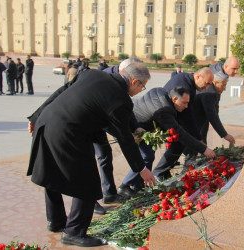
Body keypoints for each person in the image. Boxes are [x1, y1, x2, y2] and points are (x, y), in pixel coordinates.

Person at [27, 62, 156, 247]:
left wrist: (35, 116)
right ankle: (74, 232)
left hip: (47, 122)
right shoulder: (121, 99)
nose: (140, 91)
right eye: (142, 87)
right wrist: (141, 168)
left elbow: (62, 90)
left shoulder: (93, 74)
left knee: (52, 173)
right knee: (88, 183)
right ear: (135, 81)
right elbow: (124, 139)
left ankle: (56, 221)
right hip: (69, 133)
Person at [118, 87, 216, 197]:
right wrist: (203, 149)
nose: (186, 106)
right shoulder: (165, 110)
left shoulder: (163, 93)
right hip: (134, 126)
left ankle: (138, 184)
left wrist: (198, 139)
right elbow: (180, 134)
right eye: (184, 103)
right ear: (174, 99)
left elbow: (186, 122)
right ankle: (125, 186)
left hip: (141, 124)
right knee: (147, 156)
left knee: (149, 155)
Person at [151, 67, 216, 181]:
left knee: (180, 143)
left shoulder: (188, 80)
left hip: (170, 114)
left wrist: (198, 138)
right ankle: (158, 173)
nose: (207, 87)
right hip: (164, 115)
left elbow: (188, 113)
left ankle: (164, 172)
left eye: (209, 85)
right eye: (206, 84)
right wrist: (199, 142)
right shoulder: (185, 86)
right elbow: (187, 116)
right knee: (179, 142)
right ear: (198, 76)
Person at [194, 71, 236, 145]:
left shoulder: (216, 90)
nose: (225, 89)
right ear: (216, 82)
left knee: (202, 145)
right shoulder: (209, 93)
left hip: (202, 122)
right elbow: (212, 115)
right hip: (193, 122)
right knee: (195, 147)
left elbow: (215, 112)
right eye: (223, 85)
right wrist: (224, 134)